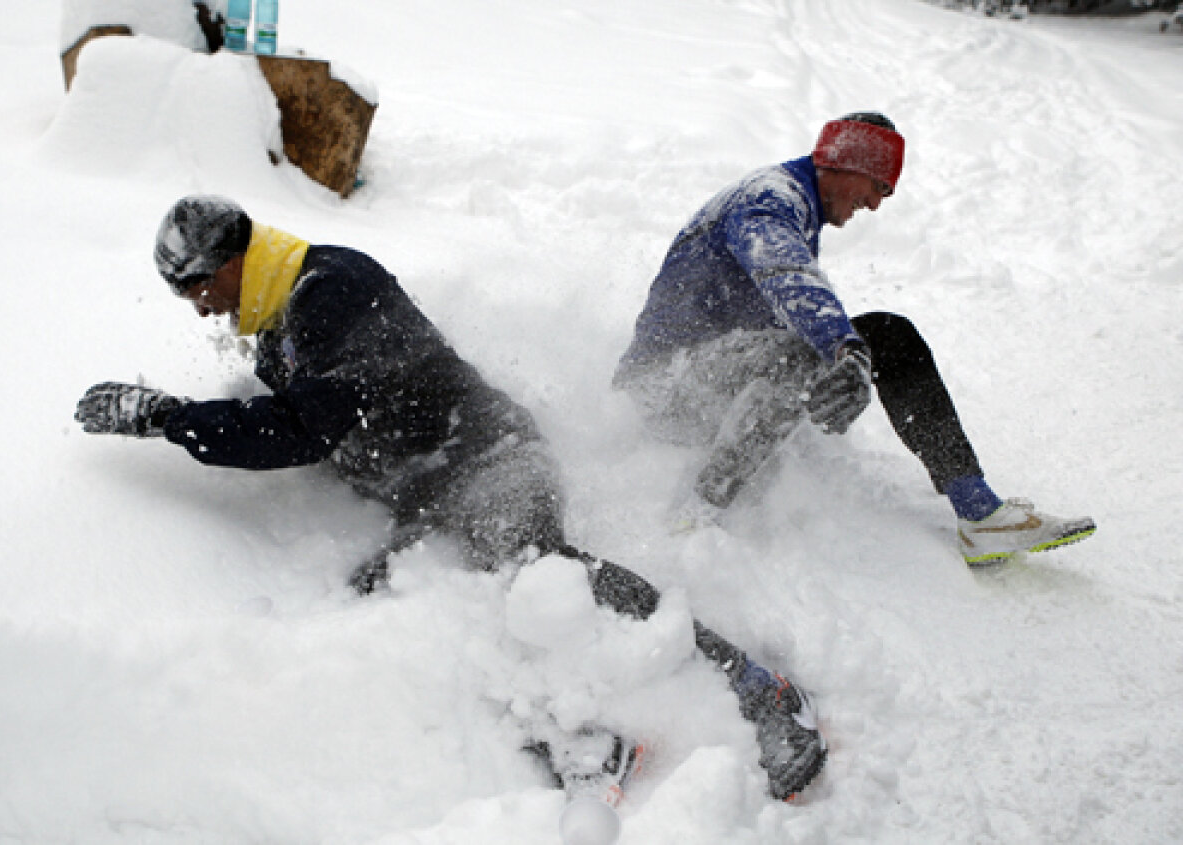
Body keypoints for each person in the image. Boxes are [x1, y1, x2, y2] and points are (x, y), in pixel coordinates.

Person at [74, 194, 826, 801]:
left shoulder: (326, 290)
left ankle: (758, 692)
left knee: (545, 574)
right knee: (429, 605)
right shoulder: (278, 322)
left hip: (493, 455)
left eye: (201, 289)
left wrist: (167, 418)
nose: (202, 309)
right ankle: (584, 741)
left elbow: (305, 429)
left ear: (233, 261)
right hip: (436, 490)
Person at [613, 112, 1095, 564]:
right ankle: (694, 515)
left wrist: (849, 353)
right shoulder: (768, 198)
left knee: (887, 334)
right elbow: (787, 274)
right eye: (877, 185)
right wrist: (842, 349)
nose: (876, 202)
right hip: (661, 389)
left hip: (715, 378)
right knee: (805, 352)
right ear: (844, 164)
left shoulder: (794, 204)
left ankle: (978, 510)